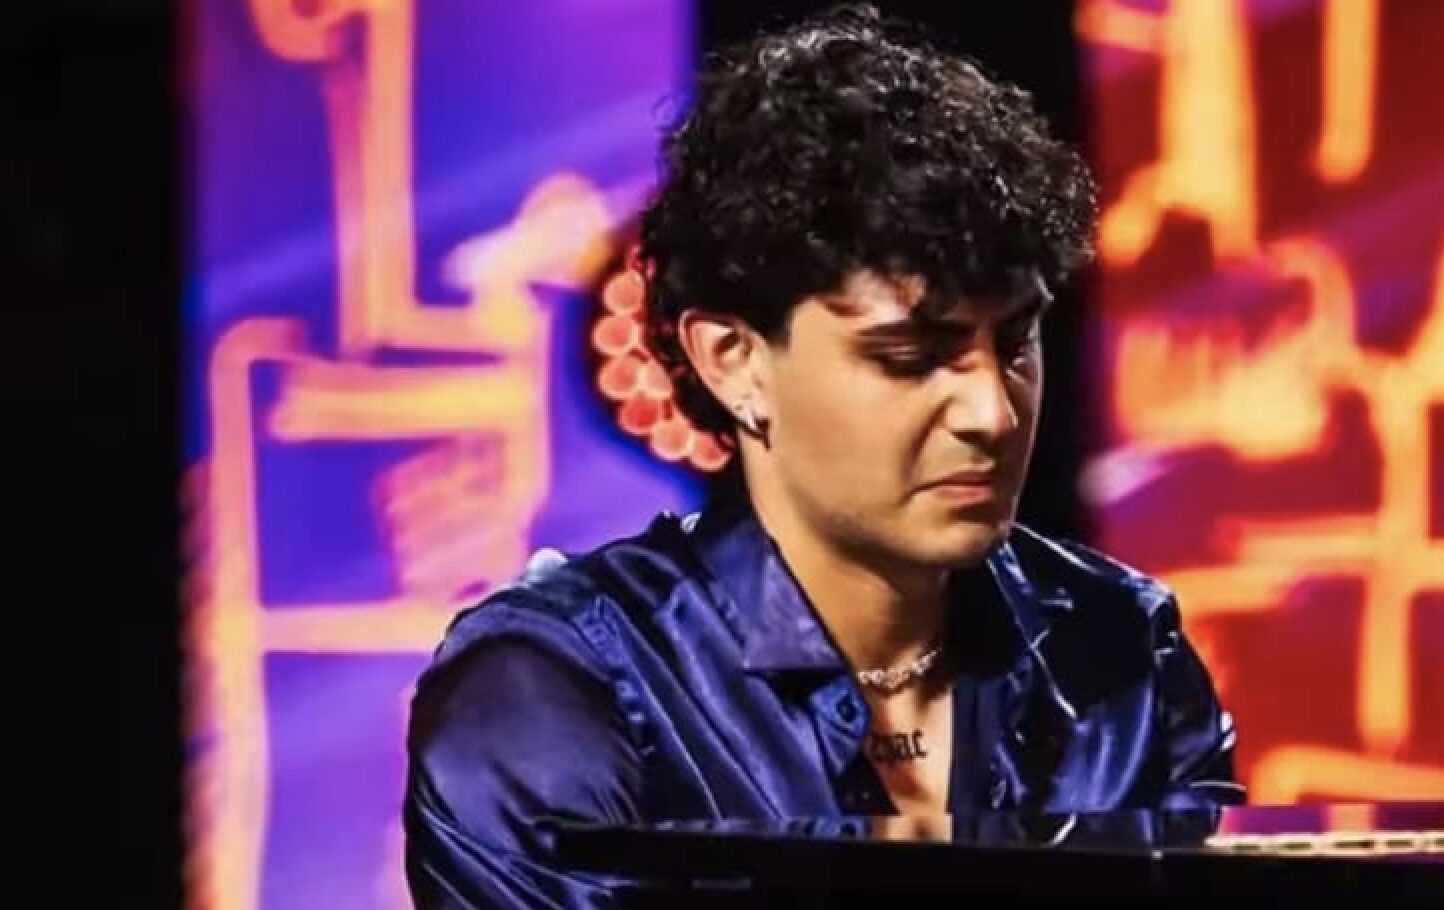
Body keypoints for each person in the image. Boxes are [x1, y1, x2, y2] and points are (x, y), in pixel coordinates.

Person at [403, 3, 1242, 903]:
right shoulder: (553, 687)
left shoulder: (1117, 652)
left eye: (1015, 345)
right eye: (910, 357)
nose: (991, 414)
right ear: (734, 362)